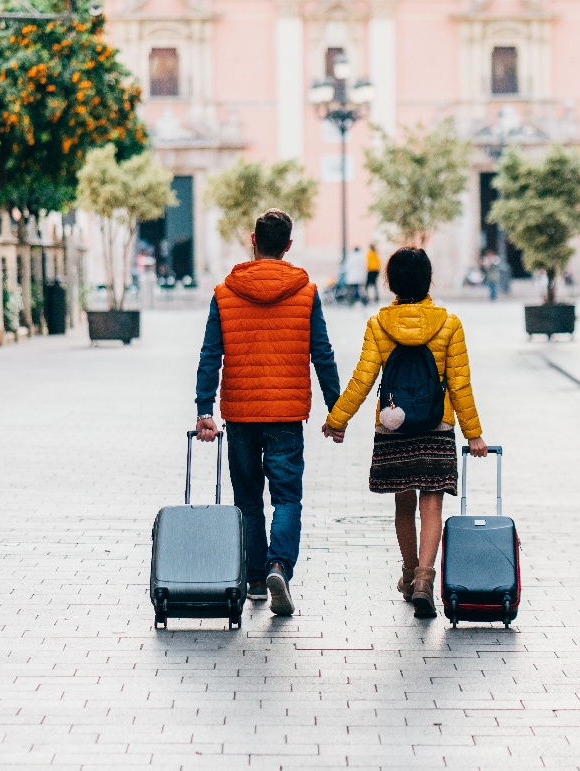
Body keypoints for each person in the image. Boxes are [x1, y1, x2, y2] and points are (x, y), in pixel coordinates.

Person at [321, 247, 488, 619]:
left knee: (403, 502)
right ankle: (426, 581)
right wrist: (473, 433)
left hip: (393, 425)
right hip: (436, 425)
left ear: (391, 283)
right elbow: (461, 385)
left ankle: (410, 574)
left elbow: (363, 380)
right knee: (432, 502)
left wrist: (338, 419)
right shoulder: (449, 324)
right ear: (428, 280)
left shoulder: (379, 324)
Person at [195, 209, 342, 616]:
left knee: (247, 499)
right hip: (285, 415)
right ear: (289, 246)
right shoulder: (306, 291)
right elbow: (322, 355)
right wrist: (337, 410)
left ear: (253, 241)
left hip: (240, 413)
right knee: (287, 498)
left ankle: (256, 579)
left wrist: (203, 408)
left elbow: (211, 354)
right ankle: (279, 565)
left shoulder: (225, 292)